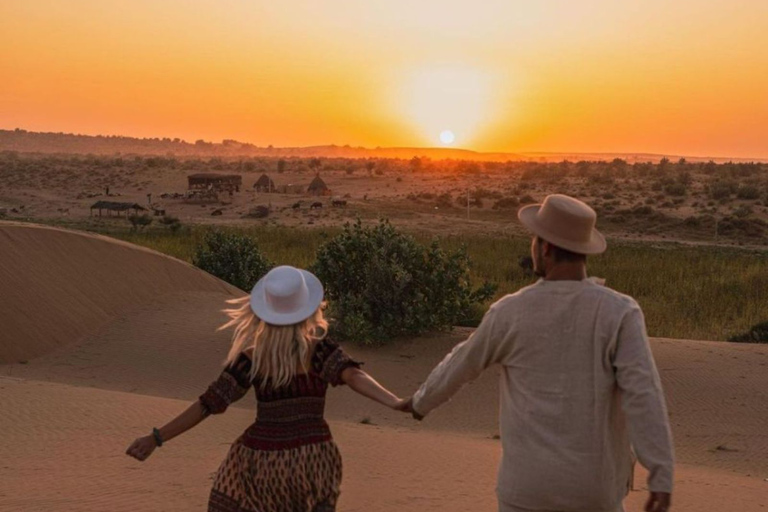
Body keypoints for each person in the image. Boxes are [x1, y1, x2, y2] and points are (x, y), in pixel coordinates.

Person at [398, 194, 675, 512]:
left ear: (544, 248)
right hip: (594, 490)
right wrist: (661, 475)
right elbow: (643, 395)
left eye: (534, 238)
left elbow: (462, 363)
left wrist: (420, 402)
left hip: (526, 489)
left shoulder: (510, 311)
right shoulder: (620, 312)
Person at [126, 265, 404, 512]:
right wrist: (395, 402)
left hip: (260, 462)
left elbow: (206, 405)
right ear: (309, 308)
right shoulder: (319, 352)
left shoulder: (252, 359)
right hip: (314, 460)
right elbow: (354, 375)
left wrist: (156, 438)